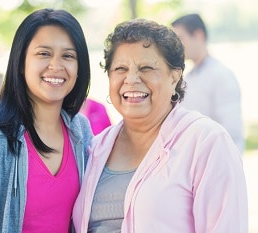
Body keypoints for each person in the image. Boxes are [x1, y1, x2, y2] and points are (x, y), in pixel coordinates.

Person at [72, 18, 248, 232]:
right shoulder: (95, 148)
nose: (132, 79)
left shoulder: (206, 142)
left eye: (146, 67)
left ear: (174, 77)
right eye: (120, 68)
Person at [0, 8, 93, 233]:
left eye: (68, 55)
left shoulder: (80, 130)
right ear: (20, 63)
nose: (56, 65)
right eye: (44, 53)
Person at [171, 13, 245, 154]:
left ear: (198, 35)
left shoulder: (221, 76)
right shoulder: (188, 77)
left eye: (180, 38)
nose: (176, 46)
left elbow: (232, 134)